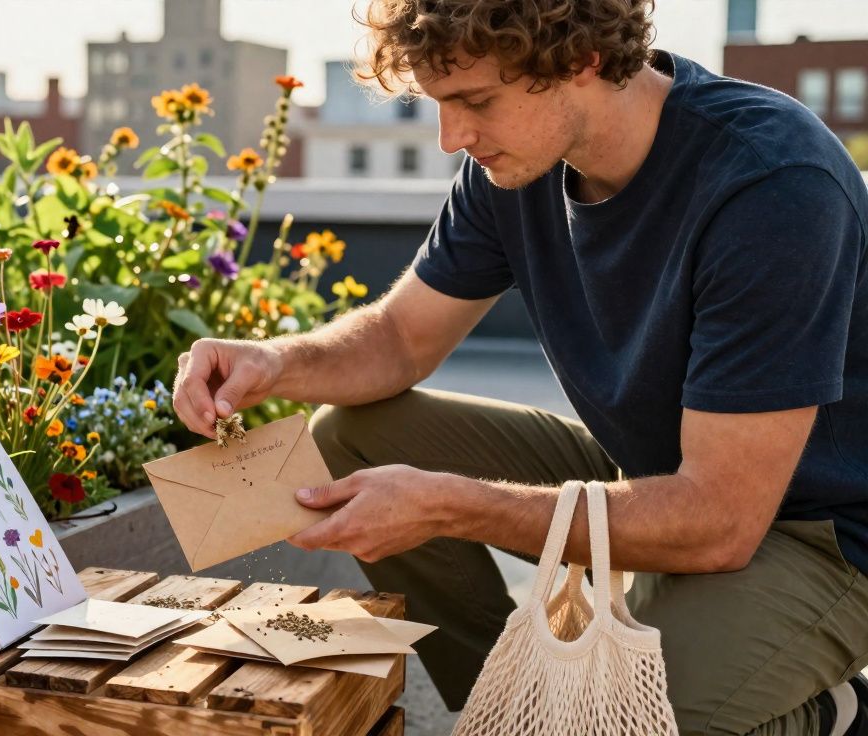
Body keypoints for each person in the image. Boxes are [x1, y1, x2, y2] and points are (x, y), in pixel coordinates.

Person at [171, 1, 868, 733]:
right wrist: (272, 362)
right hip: (652, 476)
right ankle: (510, 704)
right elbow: (400, 340)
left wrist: (451, 504)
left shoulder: (771, 179)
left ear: (582, 60)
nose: (451, 138)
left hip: (815, 535)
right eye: (441, 105)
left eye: (475, 102)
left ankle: (829, 715)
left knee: (618, 717)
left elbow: (720, 522)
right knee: (352, 431)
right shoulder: (516, 165)